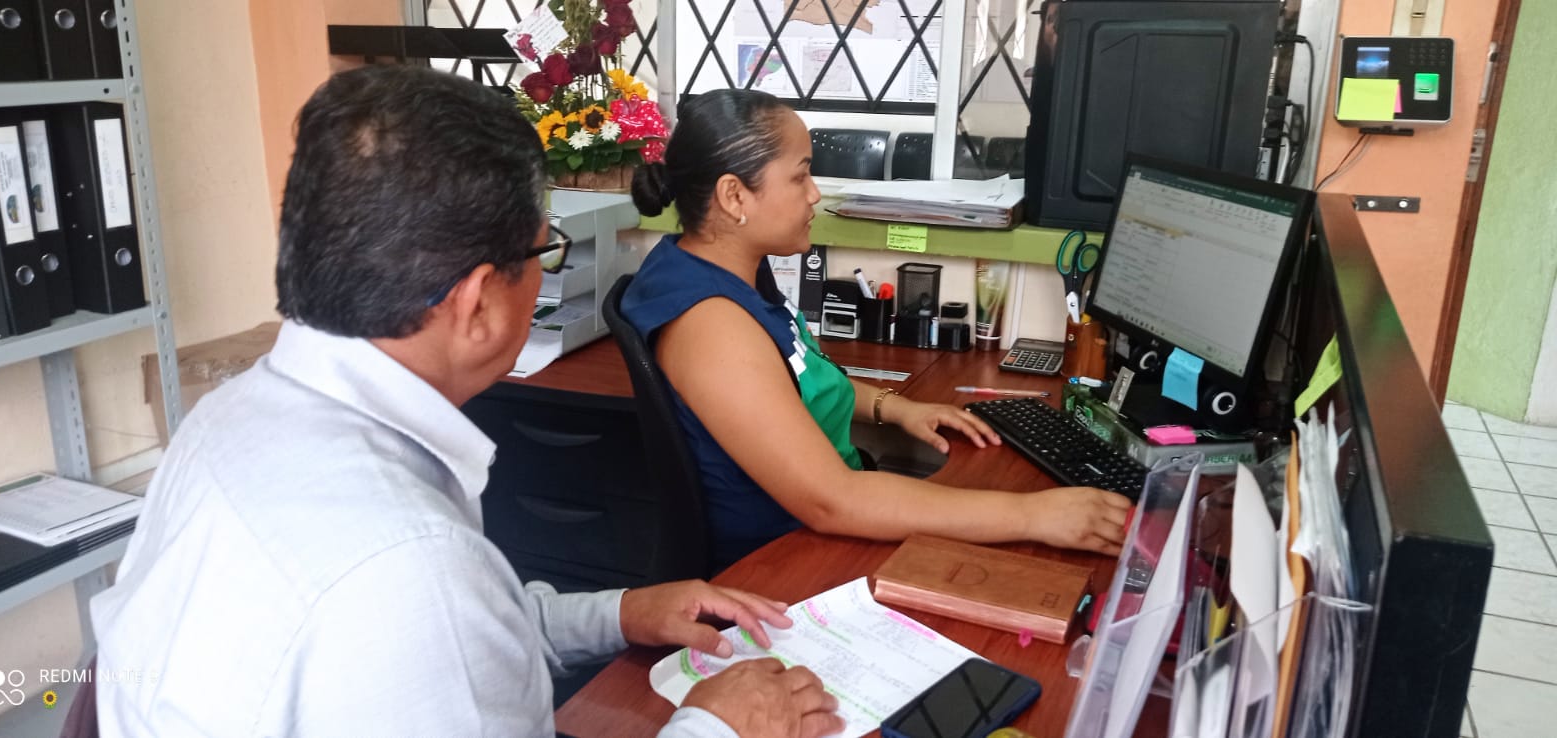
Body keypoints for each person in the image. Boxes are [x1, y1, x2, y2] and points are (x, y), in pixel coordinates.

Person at [90, 66, 842, 738]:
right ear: (479, 301)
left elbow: (464, 633)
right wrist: (719, 726)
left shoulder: (227, 418)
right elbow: (436, 622)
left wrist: (619, 612)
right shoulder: (409, 571)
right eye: (544, 252)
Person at [623, 89, 1132, 567]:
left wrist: (896, 407)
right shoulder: (713, 326)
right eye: (800, 177)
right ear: (734, 196)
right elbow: (834, 501)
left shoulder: (720, 268)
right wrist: (1033, 515)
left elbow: (796, 378)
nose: (814, 194)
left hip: (819, 522)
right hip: (784, 561)